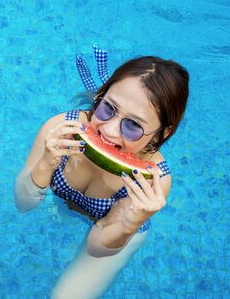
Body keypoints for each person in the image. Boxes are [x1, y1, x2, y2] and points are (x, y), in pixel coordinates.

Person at [14, 47, 189, 298]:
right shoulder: (62, 129)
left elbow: (96, 247)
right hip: (62, 205)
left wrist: (131, 221)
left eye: (133, 126)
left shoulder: (153, 181)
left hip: (114, 233)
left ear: (164, 133)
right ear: (102, 95)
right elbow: (22, 203)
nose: (109, 131)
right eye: (108, 108)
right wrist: (45, 164)